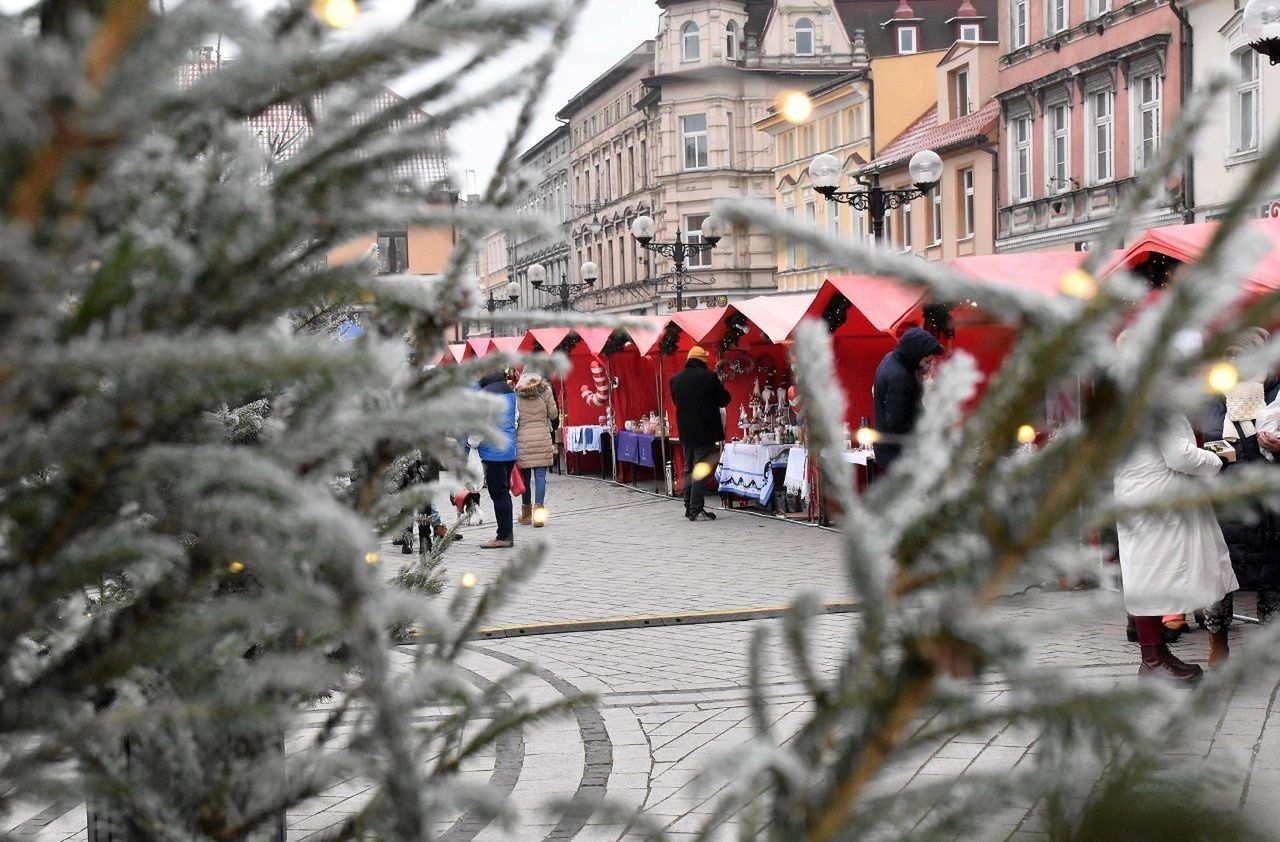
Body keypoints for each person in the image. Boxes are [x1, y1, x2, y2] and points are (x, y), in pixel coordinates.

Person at [1114, 414, 1237, 685]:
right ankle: (1153, 662)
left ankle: (1156, 656)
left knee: (1147, 576)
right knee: (1151, 579)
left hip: (1143, 496)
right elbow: (1178, 455)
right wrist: (1218, 461)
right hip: (1155, 500)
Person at [1199, 327, 1280, 664]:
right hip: (1225, 497)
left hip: (1267, 496)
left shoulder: (1276, 391)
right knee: (1219, 573)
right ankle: (1217, 640)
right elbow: (1202, 440)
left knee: (1272, 572)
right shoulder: (1215, 395)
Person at [670, 346, 731, 521]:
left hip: (686, 432)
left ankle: (689, 507)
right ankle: (696, 508)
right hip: (705, 431)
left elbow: (677, 402)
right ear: (703, 361)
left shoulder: (675, 379)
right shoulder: (709, 377)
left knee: (689, 468)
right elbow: (724, 399)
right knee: (700, 469)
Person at [872, 327, 944, 472]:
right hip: (898, 455)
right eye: (927, 360)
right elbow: (896, 423)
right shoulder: (899, 377)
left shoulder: (891, 359)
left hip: (891, 451)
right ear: (916, 355)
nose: (929, 365)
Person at [475, 369, 518, 549]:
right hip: (509, 450)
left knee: (499, 494)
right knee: (504, 493)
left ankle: (504, 536)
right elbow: (516, 420)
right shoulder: (511, 393)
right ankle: (505, 533)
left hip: (493, 452)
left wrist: (472, 442)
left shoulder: (485, 396)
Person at [514, 370, 558, 527]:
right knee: (540, 477)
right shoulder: (545, 390)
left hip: (523, 439)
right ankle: (539, 516)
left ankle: (526, 515)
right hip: (542, 438)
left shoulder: (517, 393)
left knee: (525, 479)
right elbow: (553, 414)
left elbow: (515, 418)